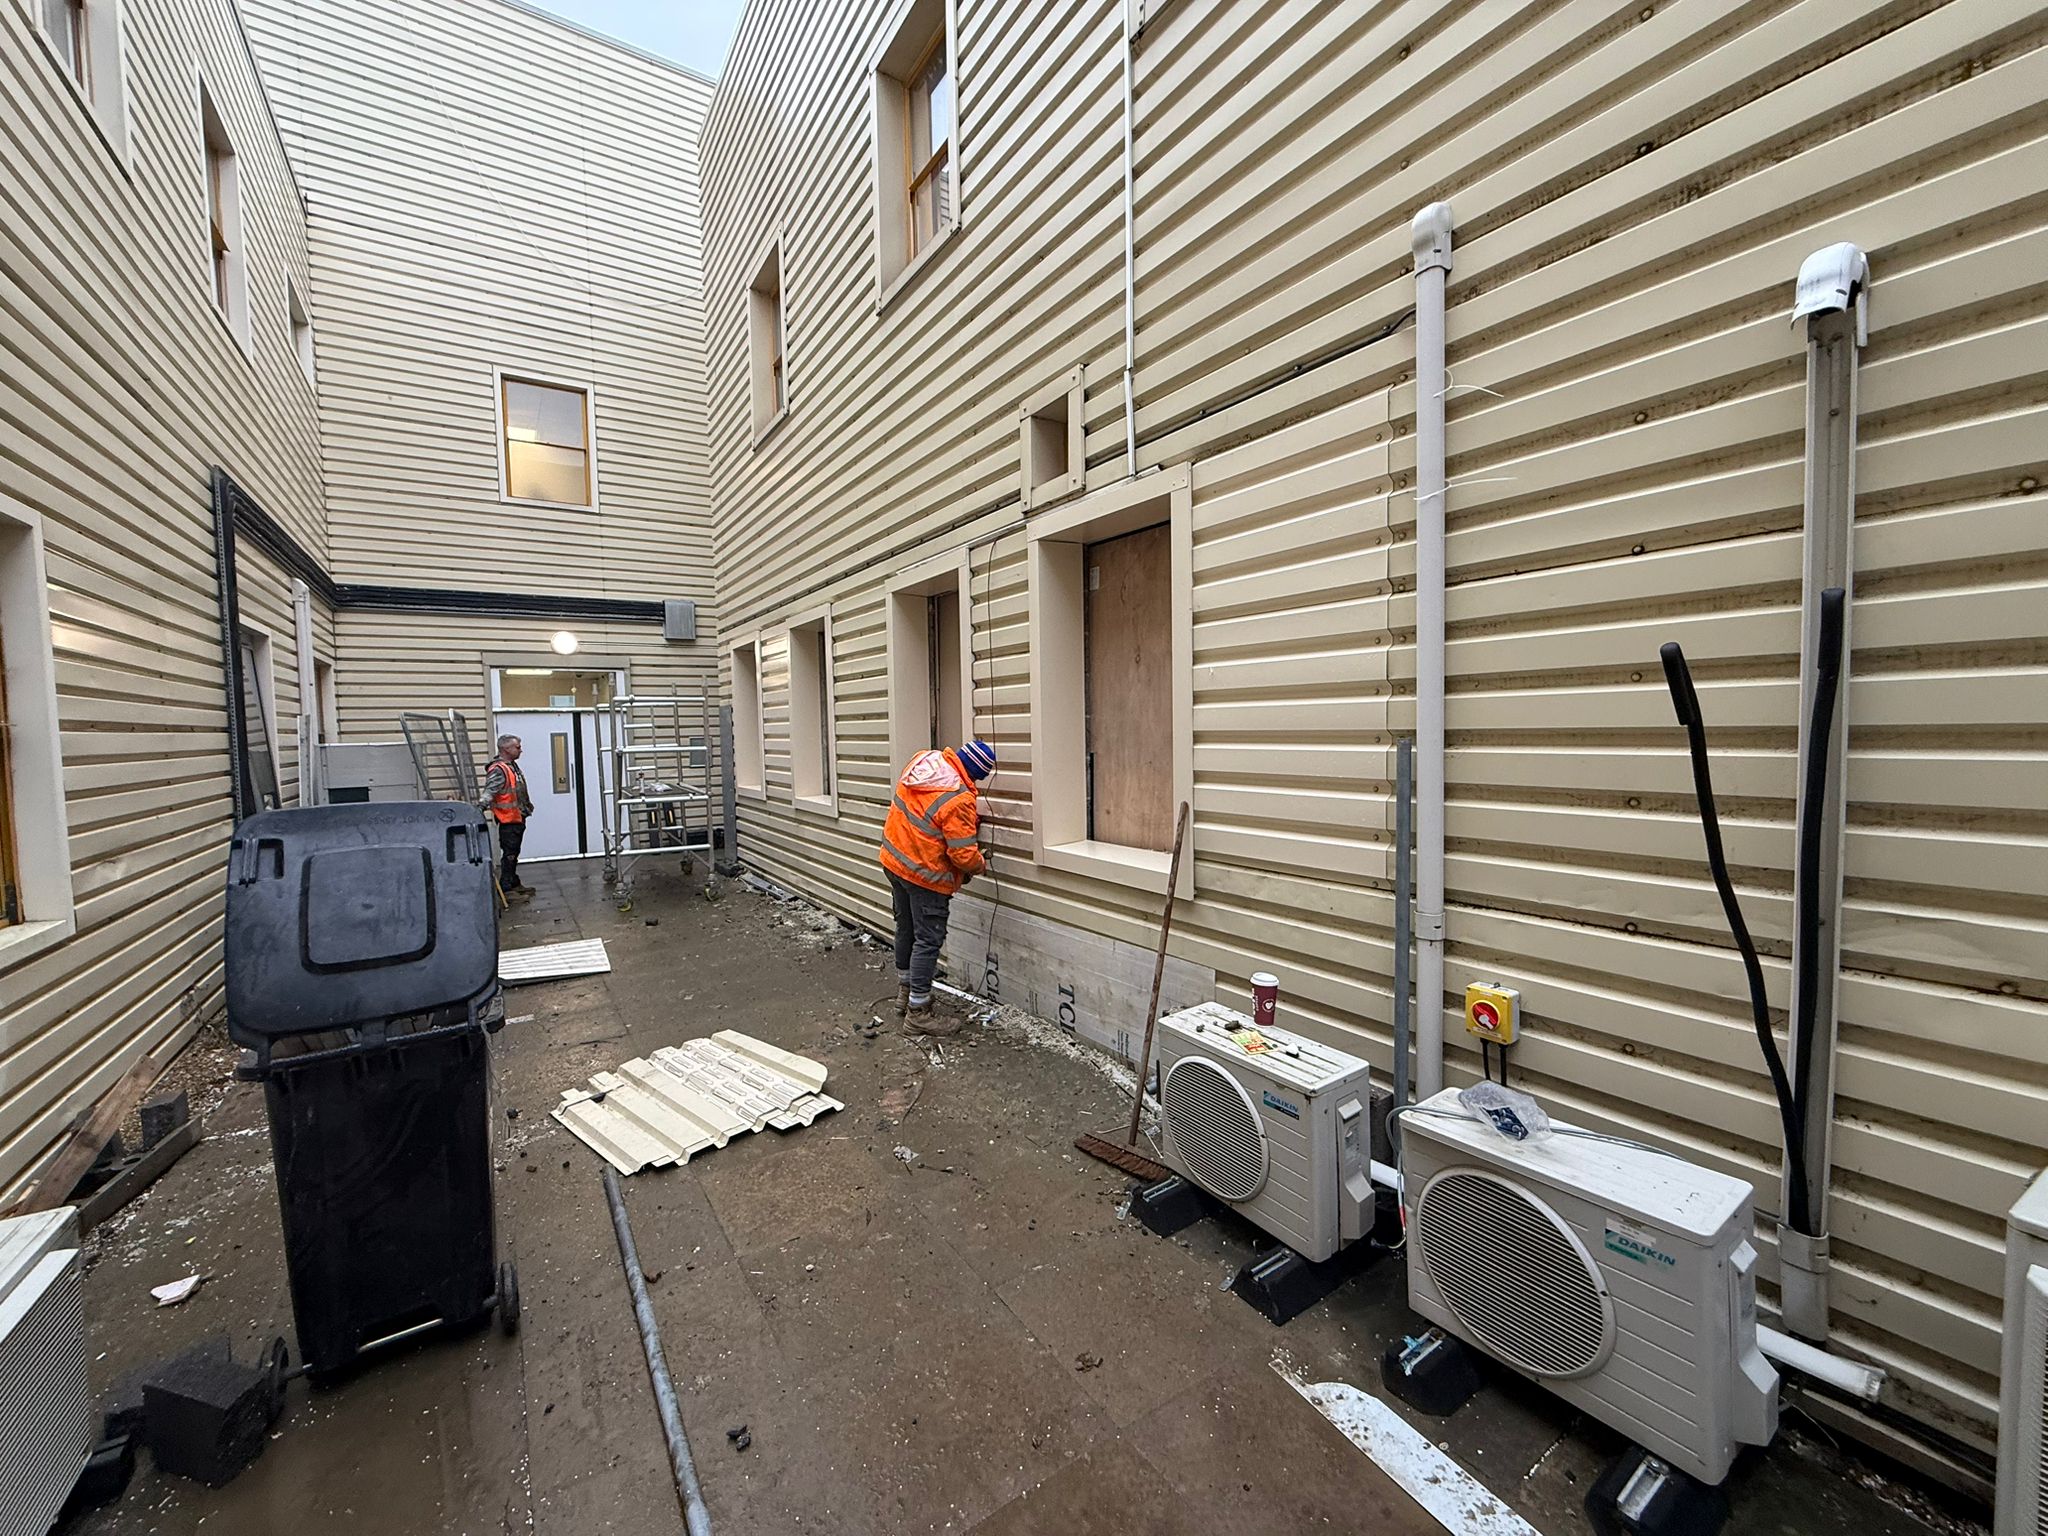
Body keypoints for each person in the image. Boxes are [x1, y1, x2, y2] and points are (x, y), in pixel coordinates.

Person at [879, 739, 995, 1029]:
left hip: (894, 862)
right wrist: (980, 863)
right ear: (975, 774)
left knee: (905, 927)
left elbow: (926, 812)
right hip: (924, 876)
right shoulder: (959, 800)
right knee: (928, 940)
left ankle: (905, 994)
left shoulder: (924, 760)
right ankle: (918, 1014)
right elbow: (963, 856)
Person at [482, 734, 535, 901]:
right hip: (508, 819)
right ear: (506, 749)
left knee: (514, 851)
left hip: (516, 817)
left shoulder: (511, 766)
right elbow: (489, 793)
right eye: (517, 747)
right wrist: (478, 809)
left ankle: (513, 882)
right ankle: (506, 887)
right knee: (510, 853)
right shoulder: (499, 769)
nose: (521, 750)